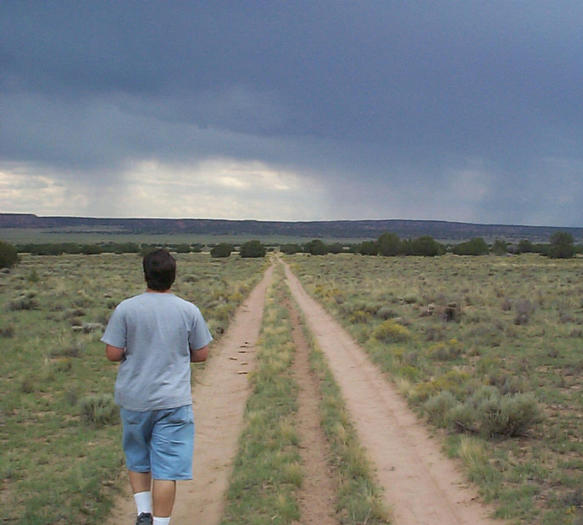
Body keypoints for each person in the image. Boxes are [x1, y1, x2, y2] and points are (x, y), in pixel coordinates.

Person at [101, 249, 212, 525]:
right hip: (173, 401)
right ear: (173, 276)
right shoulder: (189, 310)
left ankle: (142, 513)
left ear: (145, 275)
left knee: (138, 456)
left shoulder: (126, 308)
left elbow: (112, 353)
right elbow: (202, 354)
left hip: (135, 398)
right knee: (166, 468)